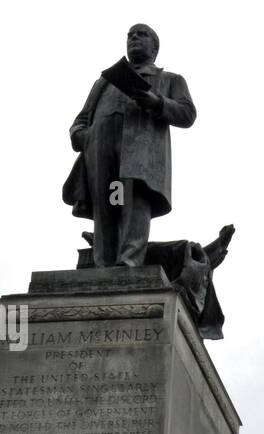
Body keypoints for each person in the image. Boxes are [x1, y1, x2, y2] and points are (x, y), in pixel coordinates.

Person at [62, 24, 196, 267]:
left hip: (139, 158)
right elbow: (80, 121)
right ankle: (105, 264)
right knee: (109, 206)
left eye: (141, 34)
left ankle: (129, 262)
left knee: (134, 203)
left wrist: (157, 103)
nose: (134, 37)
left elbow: (187, 114)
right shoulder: (104, 82)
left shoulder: (169, 80)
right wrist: (84, 136)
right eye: (130, 35)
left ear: (155, 48)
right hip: (103, 155)